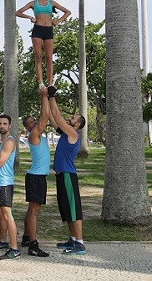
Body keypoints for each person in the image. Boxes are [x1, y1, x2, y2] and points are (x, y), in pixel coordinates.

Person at [48, 85, 86, 255]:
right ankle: (72, 239)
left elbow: (57, 115)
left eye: (72, 118)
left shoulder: (73, 133)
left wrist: (52, 95)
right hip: (62, 175)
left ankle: (80, 243)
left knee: (73, 209)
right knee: (66, 209)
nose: (70, 118)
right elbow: (51, 116)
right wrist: (45, 97)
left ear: (77, 124)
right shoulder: (65, 133)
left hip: (68, 176)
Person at [15, 0, 70, 88]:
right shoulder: (33, 3)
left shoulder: (52, 3)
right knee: (38, 56)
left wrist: (58, 21)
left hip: (48, 29)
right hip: (37, 30)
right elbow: (18, 12)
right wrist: (30, 17)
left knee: (49, 57)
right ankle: (40, 82)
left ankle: (50, 84)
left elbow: (67, 12)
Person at [22, 87, 51, 257]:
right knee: (34, 211)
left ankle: (27, 237)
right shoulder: (34, 135)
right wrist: (44, 97)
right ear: (27, 128)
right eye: (31, 122)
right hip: (36, 178)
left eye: (35, 120)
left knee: (31, 209)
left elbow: (46, 117)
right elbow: (45, 117)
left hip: (37, 177)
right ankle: (33, 245)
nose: (35, 122)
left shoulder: (39, 135)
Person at [0, 114, 20, 260]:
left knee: (7, 215)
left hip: (5, 183)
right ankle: (2, 241)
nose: (2, 126)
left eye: (5, 124)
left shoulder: (9, 141)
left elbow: (0, 162)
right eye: (0, 124)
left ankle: (14, 249)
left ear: (10, 126)